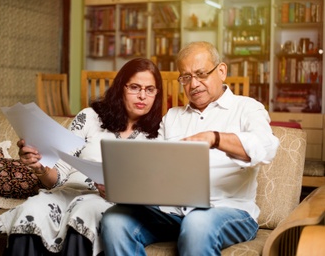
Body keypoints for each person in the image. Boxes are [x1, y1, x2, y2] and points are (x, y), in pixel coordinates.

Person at [100, 41, 280, 256]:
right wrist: (122, 185)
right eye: (186, 77)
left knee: (197, 222)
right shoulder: (173, 117)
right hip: (173, 214)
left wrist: (215, 138)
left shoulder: (247, 108)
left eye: (201, 74)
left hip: (227, 211)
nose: (193, 84)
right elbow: (154, 167)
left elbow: (266, 147)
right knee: (114, 219)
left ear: (221, 71)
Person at [0, 57, 164, 256]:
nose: (142, 96)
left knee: (85, 211)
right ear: (121, 88)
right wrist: (40, 167)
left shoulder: (160, 132)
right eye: (135, 87)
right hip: (69, 191)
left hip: (110, 201)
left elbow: (154, 191)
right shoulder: (90, 117)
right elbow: (57, 178)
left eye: (150, 89)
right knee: (33, 208)